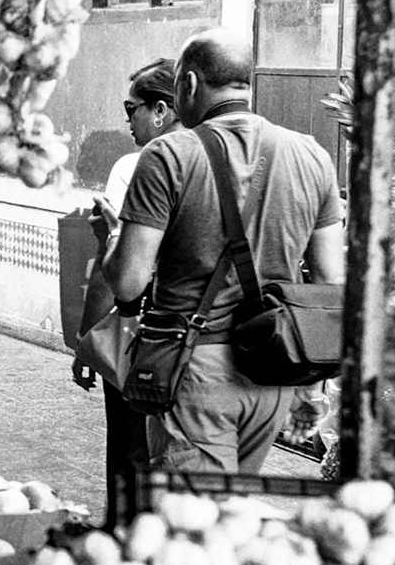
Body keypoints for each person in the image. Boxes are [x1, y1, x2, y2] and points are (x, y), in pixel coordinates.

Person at [104, 29, 344, 473]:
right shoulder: (312, 156)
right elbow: (330, 286)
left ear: (189, 84)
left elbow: (128, 282)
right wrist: (311, 387)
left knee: (194, 514)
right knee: (231, 508)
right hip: (272, 372)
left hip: (196, 374)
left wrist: (114, 236)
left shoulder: (168, 156)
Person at [74, 59, 180, 518]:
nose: (127, 120)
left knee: (129, 452)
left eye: (130, 108)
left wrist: (87, 341)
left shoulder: (136, 167)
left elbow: (115, 272)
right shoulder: (228, 163)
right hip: (206, 345)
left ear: (160, 111)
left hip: (143, 335)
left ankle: (124, 536)